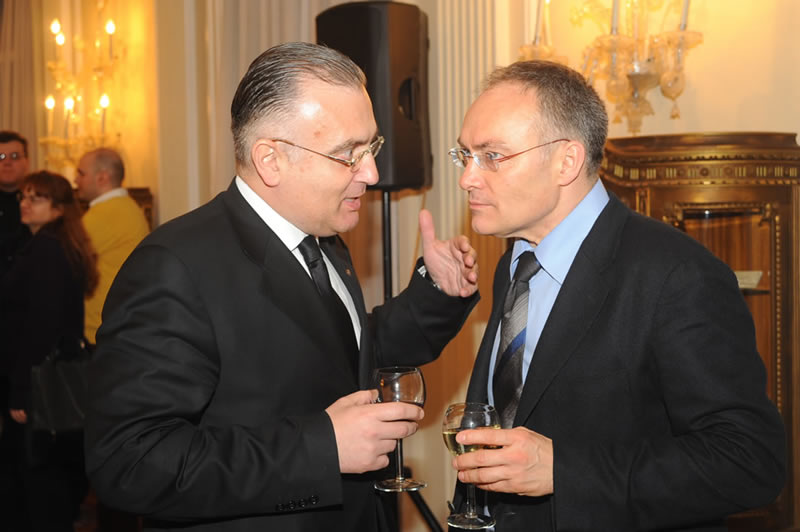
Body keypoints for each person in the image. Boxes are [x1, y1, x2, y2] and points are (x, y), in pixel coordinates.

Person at [85, 42, 480, 532]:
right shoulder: (174, 267)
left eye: (371, 147)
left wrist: (436, 292)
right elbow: (129, 461)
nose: (372, 173)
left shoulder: (323, 237)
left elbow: (349, 355)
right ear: (270, 159)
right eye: (348, 154)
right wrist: (322, 448)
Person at [448, 60, 786, 531]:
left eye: (492, 156)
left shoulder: (677, 274)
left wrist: (564, 472)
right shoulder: (515, 261)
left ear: (567, 161)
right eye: (465, 155)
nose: (467, 177)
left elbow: (749, 460)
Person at [2, 171, 98, 531]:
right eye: (23, 197)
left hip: (39, 379)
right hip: (48, 374)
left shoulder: (46, 249)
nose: (25, 204)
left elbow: (40, 328)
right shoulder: (51, 243)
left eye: (36, 198)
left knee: (37, 476)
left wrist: (21, 391)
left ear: (58, 208)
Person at [75, 147, 150, 345]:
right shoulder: (124, 206)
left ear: (102, 177)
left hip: (102, 328)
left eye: (81, 174)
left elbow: (63, 258)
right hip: (117, 323)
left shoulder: (108, 212)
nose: (76, 180)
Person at [0, 130, 31, 276]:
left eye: (14, 156)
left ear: (27, 162)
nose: (7, 163)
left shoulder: (45, 201)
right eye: (0, 157)